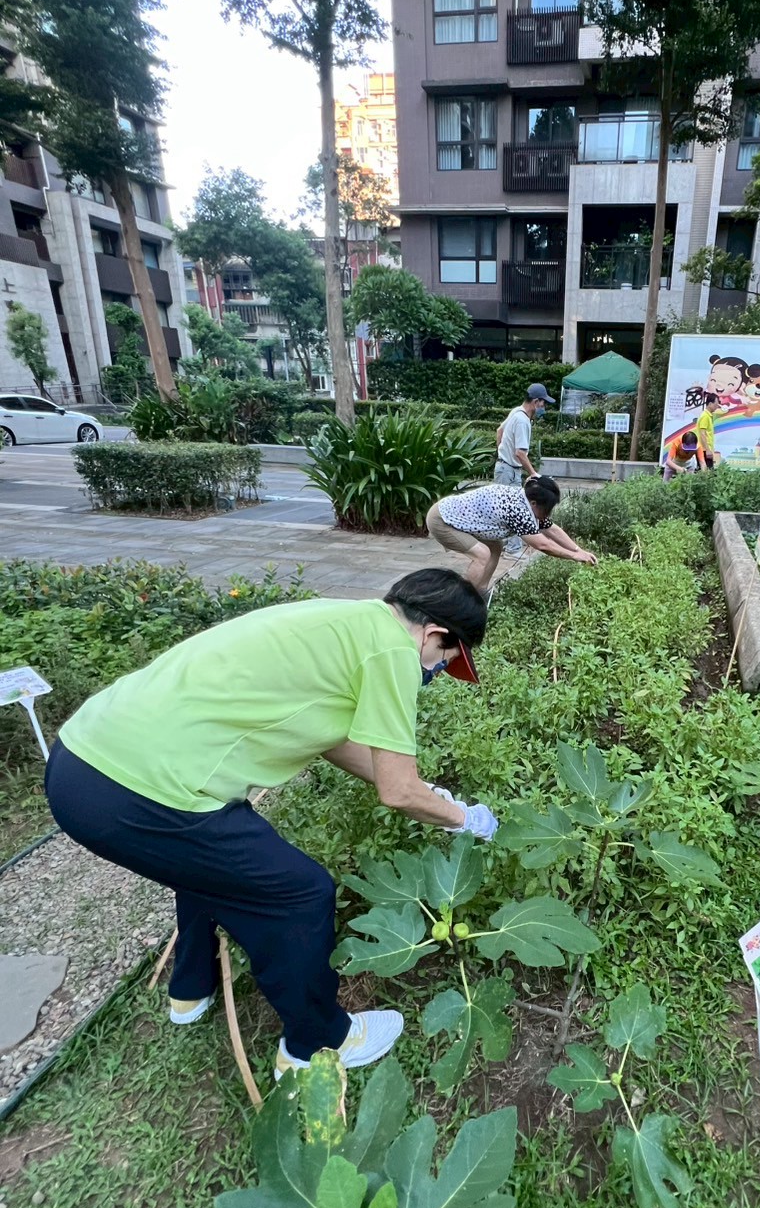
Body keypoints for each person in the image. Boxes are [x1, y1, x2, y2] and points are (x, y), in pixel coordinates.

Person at [44, 569, 496, 1081]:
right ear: (436, 634)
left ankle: (189, 989)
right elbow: (397, 792)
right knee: (299, 893)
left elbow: (332, 738)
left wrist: (424, 790)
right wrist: (464, 818)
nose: (435, 673)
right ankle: (315, 1044)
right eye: (442, 663)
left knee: (209, 864)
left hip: (81, 760)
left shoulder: (346, 620)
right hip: (140, 793)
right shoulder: (394, 651)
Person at [427, 474, 597, 593]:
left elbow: (551, 529)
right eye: (547, 509)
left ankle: (480, 593)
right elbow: (542, 544)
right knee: (482, 554)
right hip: (443, 520)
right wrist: (574, 556)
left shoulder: (527, 500)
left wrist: (578, 550)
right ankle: (461, 601)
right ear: (534, 503)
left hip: (456, 517)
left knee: (495, 547)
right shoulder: (518, 510)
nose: (548, 514)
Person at [495, 383, 555, 488]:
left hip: (506, 469)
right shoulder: (522, 421)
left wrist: (503, 456)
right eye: (543, 403)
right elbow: (520, 453)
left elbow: (499, 431)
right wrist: (533, 473)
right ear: (536, 402)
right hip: (509, 472)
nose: (544, 408)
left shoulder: (516, 411)